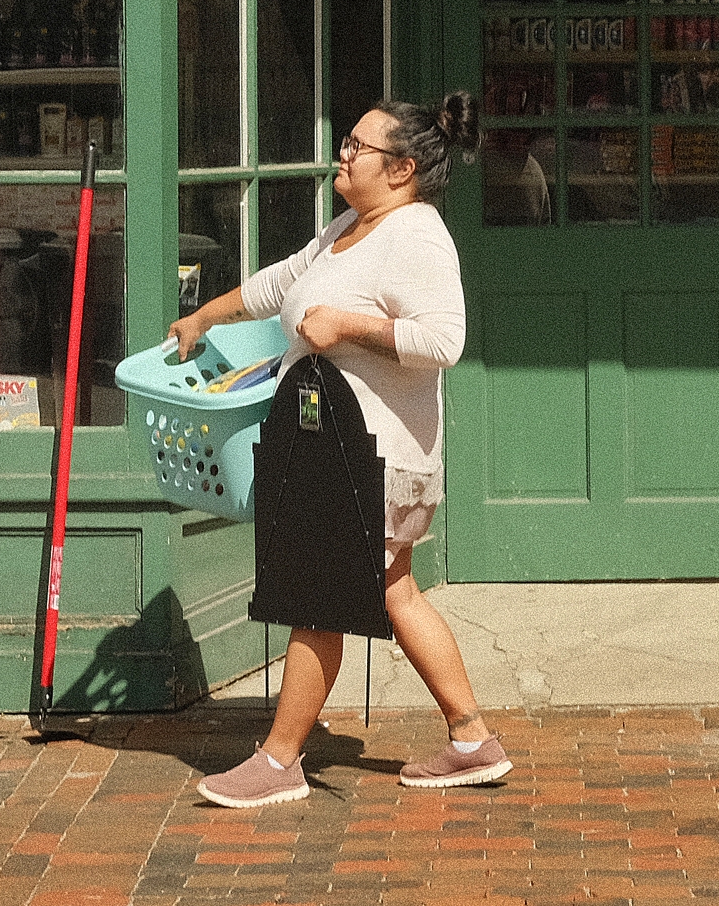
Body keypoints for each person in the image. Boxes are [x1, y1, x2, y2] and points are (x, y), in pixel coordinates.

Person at [176, 92, 509, 808]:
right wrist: (206, 315)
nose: (343, 153)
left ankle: (279, 758)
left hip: (373, 456)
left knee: (320, 598)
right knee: (392, 590)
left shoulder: (417, 235)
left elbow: (443, 341)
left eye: (358, 145)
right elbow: (284, 281)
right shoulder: (352, 225)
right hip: (342, 452)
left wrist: (348, 326)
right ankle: (471, 738)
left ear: (403, 168)